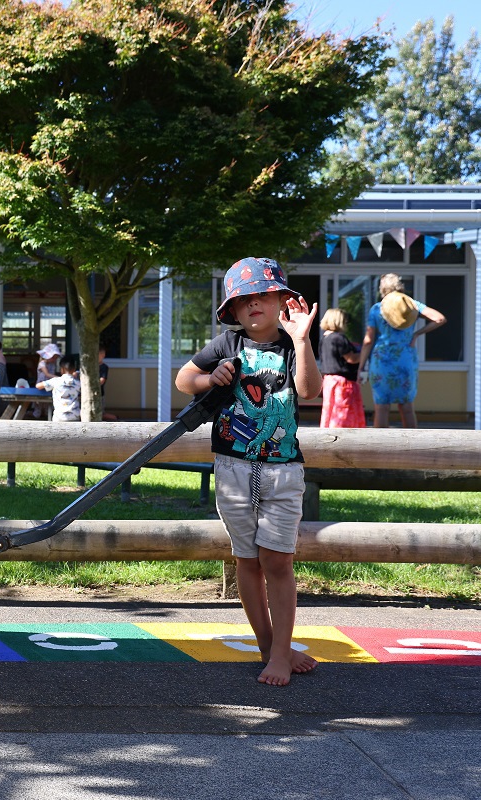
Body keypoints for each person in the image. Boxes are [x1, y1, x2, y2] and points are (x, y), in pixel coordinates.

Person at [175, 257, 321, 687]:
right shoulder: (227, 345)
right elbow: (185, 378)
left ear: (281, 303)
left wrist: (301, 340)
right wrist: (209, 379)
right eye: (245, 300)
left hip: (282, 471)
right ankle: (266, 646)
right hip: (233, 468)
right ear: (234, 311)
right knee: (248, 561)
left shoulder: (292, 346)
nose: (254, 304)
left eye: (264, 295)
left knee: (278, 559)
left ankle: (281, 651)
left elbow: (310, 391)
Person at [357, 273, 446, 429]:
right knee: (406, 406)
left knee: (381, 407)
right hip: (405, 358)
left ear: (382, 289)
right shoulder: (412, 305)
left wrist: (361, 366)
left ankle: (378, 449)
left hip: (382, 360)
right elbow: (439, 318)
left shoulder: (377, 309)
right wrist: (417, 334)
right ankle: (411, 449)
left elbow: (368, 340)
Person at [317, 308, 365, 428]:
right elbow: (351, 358)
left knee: (331, 411)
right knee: (343, 414)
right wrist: (365, 354)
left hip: (329, 381)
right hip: (342, 383)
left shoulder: (325, 339)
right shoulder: (339, 338)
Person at [36, 353, 81, 422]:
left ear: (61, 370)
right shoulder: (78, 383)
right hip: (75, 417)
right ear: (74, 369)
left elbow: (38, 386)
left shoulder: (56, 381)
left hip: (59, 417)